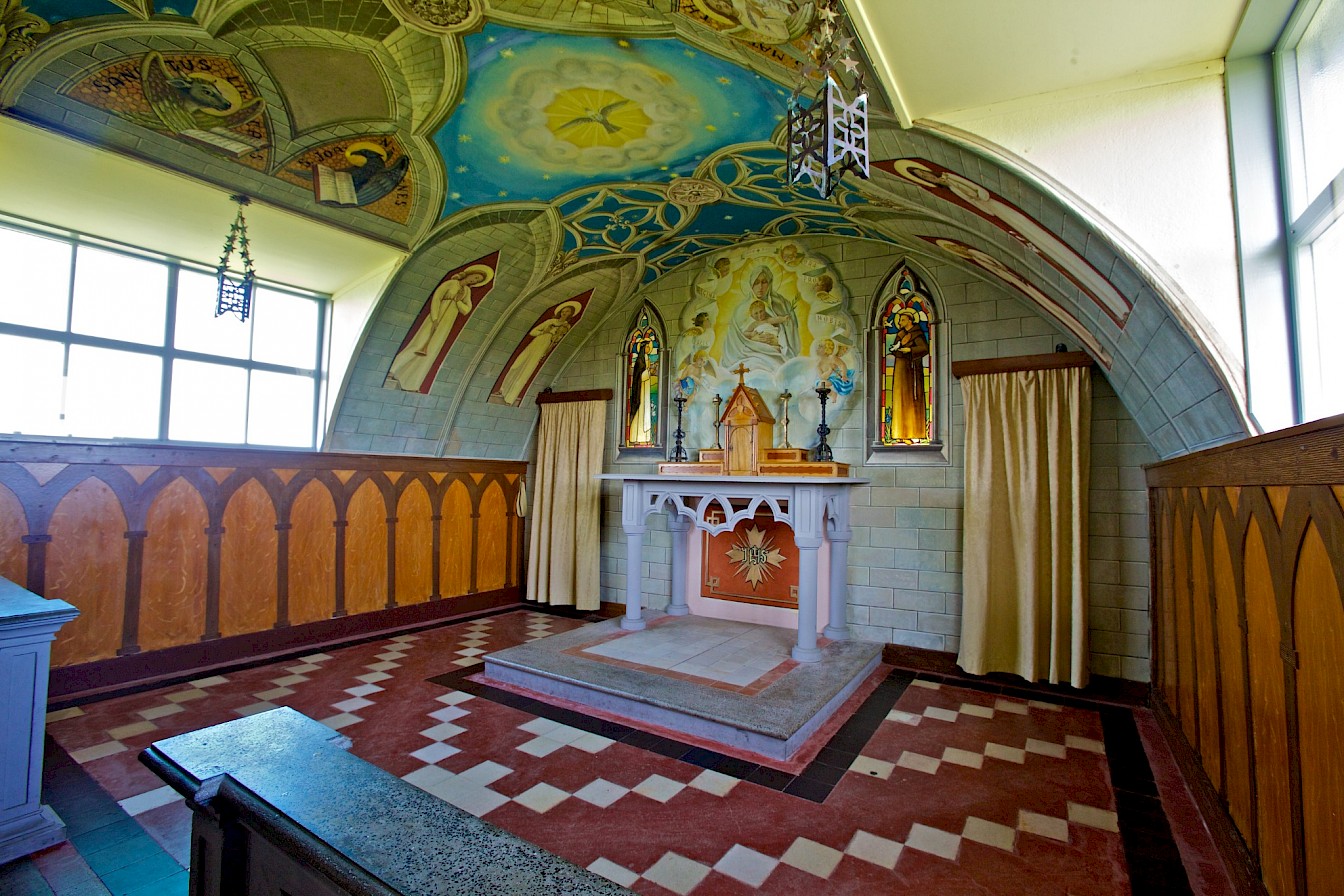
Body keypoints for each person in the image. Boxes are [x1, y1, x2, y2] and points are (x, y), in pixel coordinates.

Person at [387, 264, 493, 392]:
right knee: (418, 345)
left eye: (478, 280)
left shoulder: (467, 291)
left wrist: (458, 301)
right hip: (435, 318)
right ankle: (392, 370)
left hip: (447, 323)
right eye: (475, 277)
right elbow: (437, 298)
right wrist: (435, 318)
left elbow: (467, 309)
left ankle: (411, 383)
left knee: (431, 351)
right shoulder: (451, 283)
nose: (474, 280)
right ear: (470, 273)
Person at [496, 302, 579, 405]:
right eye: (563, 311)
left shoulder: (566, 326)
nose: (564, 313)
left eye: (567, 311)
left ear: (571, 314)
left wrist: (548, 348)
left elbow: (557, 341)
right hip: (536, 343)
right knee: (516, 365)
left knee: (527, 371)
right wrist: (544, 332)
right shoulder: (550, 321)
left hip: (544, 347)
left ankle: (510, 397)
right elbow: (533, 332)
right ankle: (502, 390)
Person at [722, 265, 800, 368]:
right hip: (748, 354)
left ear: (770, 283)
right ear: (751, 284)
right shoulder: (740, 309)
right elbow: (733, 341)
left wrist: (779, 342)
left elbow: (791, 333)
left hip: (776, 351)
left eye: (764, 282)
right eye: (756, 283)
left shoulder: (782, 304)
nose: (760, 287)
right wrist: (754, 339)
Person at [884, 308, 929, 441]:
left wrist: (909, 349)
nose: (900, 322)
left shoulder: (916, 333)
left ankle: (914, 433)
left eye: (903, 319)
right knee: (899, 397)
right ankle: (899, 433)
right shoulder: (901, 334)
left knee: (912, 398)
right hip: (900, 368)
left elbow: (924, 348)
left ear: (910, 320)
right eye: (899, 319)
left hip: (912, 369)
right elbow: (895, 350)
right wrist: (896, 350)